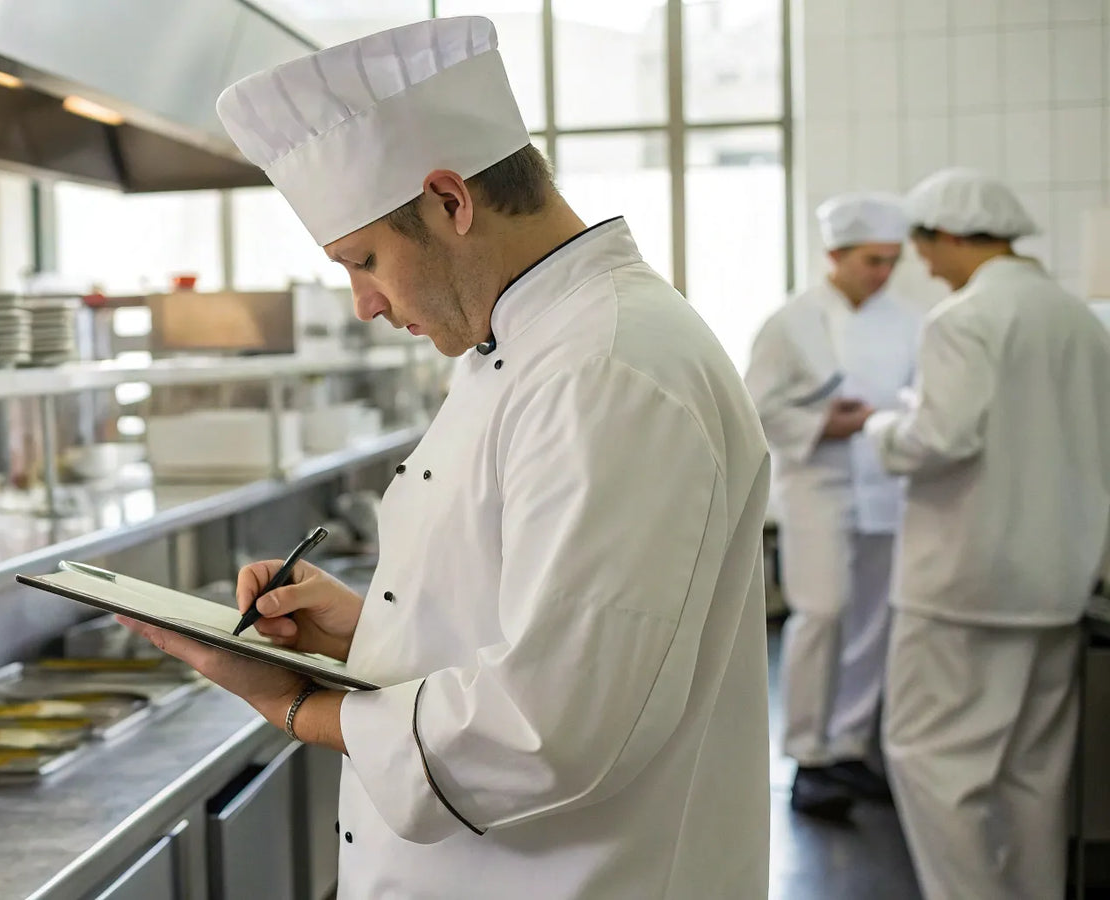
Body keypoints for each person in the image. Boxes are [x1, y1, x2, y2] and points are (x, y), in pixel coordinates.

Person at [113, 16, 771, 898]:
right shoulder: (530, 346)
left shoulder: (605, 370)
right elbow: (533, 621)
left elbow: (546, 729)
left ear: (451, 201)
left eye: (364, 260)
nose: (364, 303)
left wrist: (295, 705)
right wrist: (365, 632)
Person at [861, 168, 1110, 900]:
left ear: (951, 235)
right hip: (1055, 580)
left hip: (964, 586)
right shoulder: (1079, 319)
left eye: (923, 246)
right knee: (1035, 772)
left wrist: (882, 428)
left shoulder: (962, 319)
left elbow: (942, 437)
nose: (923, 263)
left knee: (934, 762)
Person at [745, 193, 919, 820]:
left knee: (874, 618)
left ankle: (848, 744)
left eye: (892, 261)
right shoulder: (791, 323)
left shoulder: (911, 322)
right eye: (872, 260)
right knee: (822, 612)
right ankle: (807, 756)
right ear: (835, 255)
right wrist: (823, 423)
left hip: (888, 487)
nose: (883, 273)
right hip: (817, 484)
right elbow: (754, 408)